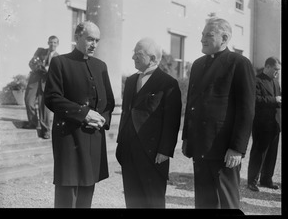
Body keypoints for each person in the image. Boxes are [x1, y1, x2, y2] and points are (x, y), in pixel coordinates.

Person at [181, 18, 256, 209]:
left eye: (208, 35)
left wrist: (237, 148)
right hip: (200, 145)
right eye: (202, 35)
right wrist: (187, 139)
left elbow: (246, 109)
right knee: (204, 203)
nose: (202, 39)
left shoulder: (239, 63)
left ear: (224, 38)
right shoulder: (197, 65)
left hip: (224, 149)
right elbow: (192, 104)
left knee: (228, 203)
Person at [44, 21, 115, 208]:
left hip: (93, 138)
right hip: (69, 139)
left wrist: (102, 120)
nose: (94, 44)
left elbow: (109, 102)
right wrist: (84, 114)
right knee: (67, 195)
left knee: (86, 195)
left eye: (97, 40)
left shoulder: (101, 66)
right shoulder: (60, 62)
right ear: (77, 37)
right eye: (90, 39)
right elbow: (52, 97)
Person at [116, 37, 182, 208]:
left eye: (138, 54)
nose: (133, 58)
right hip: (128, 150)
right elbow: (126, 113)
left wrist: (165, 150)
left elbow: (172, 121)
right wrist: (120, 143)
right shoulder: (131, 81)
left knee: (153, 202)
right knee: (132, 200)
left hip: (152, 154)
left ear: (153, 58)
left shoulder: (168, 83)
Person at [247, 57, 281, 192]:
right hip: (261, 124)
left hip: (275, 123)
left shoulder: (276, 82)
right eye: (275, 70)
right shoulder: (256, 80)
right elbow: (254, 100)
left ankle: (266, 180)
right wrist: (275, 99)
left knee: (272, 153)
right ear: (267, 67)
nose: (277, 73)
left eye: (279, 70)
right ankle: (252, 181)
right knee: (258, 153)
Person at [23, 35, 59, 139]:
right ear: (48, 43)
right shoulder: (40, 51)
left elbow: (56, 73)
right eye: (51, 42)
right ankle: (33, 122)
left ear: (57, 44)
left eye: (55, 43)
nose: (52, 44)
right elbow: (32, 63)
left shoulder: (59, 57)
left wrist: (47, 70)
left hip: (46, 83)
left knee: (45, 107)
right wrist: (44, 69)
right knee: (29, 101)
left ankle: (46, 130)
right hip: (34, 81)